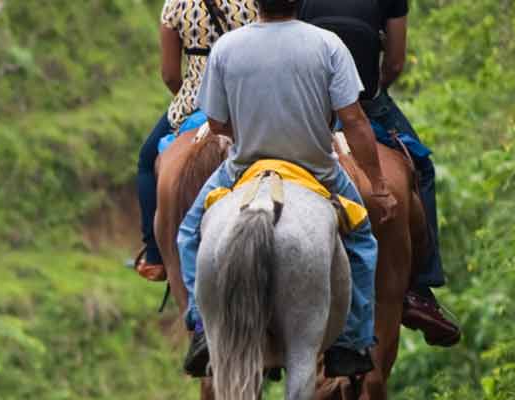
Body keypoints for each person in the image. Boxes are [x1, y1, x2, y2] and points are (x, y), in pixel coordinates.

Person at [177, 0, 395, 379]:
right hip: (316, 169)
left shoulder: (227, 47)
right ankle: (351, 339)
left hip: (244, 167)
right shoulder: (327, 44)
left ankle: (200, 328)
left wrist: (245, 133)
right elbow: (355, 121)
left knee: (189, 233)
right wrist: (377, 184)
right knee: (361, 239)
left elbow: (215, 121)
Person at [297, 0, 460, 347]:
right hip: (366, 103)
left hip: (311, 106)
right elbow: (396, 61)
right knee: (423, 169)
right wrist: (373, 88)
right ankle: (420, 289)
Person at [133, 0, 260, 282]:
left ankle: (154, 256)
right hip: (246, 101)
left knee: (145, 161)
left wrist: (191, 97)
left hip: (195, 102)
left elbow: (169, 74)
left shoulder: (177, 3)